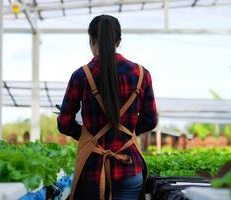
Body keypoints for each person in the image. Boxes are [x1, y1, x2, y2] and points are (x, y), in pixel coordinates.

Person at [57, 14, 158, 200]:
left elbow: (64, 123)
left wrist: (89, 136)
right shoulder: (142, 74)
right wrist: (125, 132)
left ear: (91, 40)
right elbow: (150, 120)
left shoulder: (81, 76)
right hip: (129, 167)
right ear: (118, 41)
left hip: (93, 170)